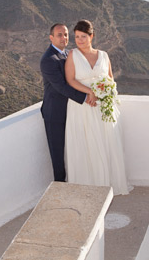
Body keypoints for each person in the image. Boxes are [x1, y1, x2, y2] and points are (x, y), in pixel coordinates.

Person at [64, 20, 131, 195]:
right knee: (86, 143)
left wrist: (105, 94)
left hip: (102, 106)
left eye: (83, 37)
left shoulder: (103, 55)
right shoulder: (73, 55)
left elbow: (110, 79)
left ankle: (107, 184)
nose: (79, 40)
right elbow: (70, 80)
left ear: (92, 36)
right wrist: (89, 93)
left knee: (105, 142)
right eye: (77, 37)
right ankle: (88, 184)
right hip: (83, 107)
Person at [40, 23, 97, 182]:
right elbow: (61, 87)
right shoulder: (48, 59)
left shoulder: (68, 54)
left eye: (65, 34)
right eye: (59, 35)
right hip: (55, 112)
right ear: (51, 38)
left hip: (72, 110)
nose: (64, 38)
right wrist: (86, 97)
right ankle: (59, 185)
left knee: (74, 147)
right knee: (57, 152)